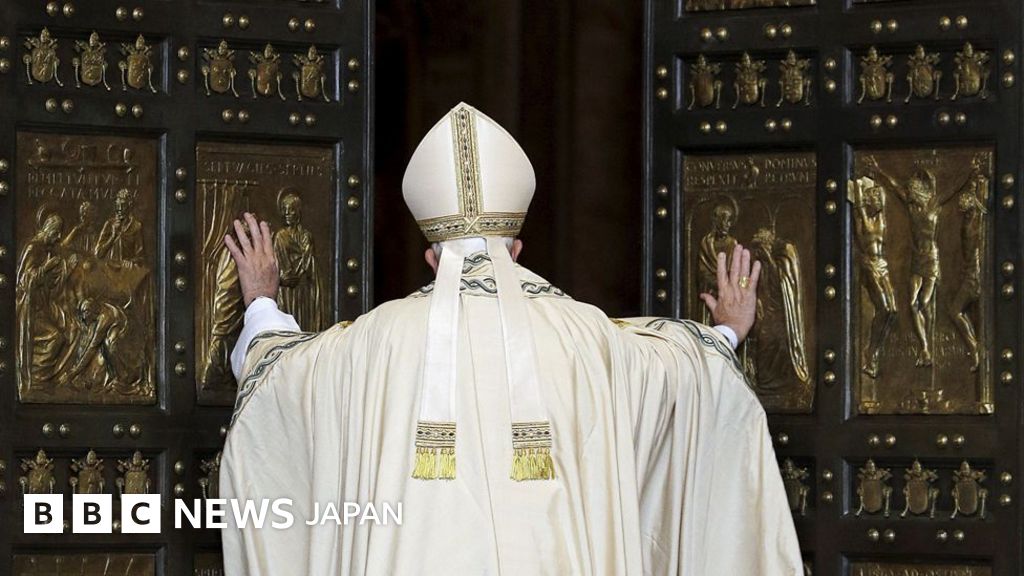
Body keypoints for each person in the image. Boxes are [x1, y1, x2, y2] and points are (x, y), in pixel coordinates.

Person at [219, 103, 801, 575]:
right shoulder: (588, 336)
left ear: (430, 257)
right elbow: (683, 374)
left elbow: (281, 379)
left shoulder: (374, 342)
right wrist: (728, 327)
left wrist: (263, 300)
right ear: (516, 251)